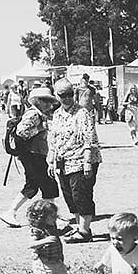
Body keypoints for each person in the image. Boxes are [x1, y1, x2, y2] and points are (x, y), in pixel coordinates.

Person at [0, 86, 63, 228]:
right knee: (47, 185)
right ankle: (52, 216)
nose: (47, 103)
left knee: (34, 186)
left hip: (33, 155)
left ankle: (12, 212)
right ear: (37, 101)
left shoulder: (37, 113)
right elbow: (22, 133)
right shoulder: (34, 115)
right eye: (44, 100)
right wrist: (41, 128)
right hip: (33, 155)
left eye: (48, 100)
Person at [48, 78, 101, 243]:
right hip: (63, 162)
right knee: (69, 196)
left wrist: (87, 162)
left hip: (82, 160)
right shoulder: (56, 115)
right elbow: (53, 139)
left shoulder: (82, 112)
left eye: (70, 94)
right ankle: (80, 228)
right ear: (57, 96)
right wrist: (51, 161)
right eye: (63, 95)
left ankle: (85, 232)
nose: (67, 98)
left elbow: (89, 138)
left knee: (81, 195)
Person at [27, 199, 79, 274]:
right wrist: (45, 240)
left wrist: (65, 230)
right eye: (52, 215)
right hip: (46, 260)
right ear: (41, 217)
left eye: (55, 214)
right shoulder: (37, 230)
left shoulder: (51, 226)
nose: (55, 217)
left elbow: (56, 234)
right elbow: (31, 245)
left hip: (56, 258)